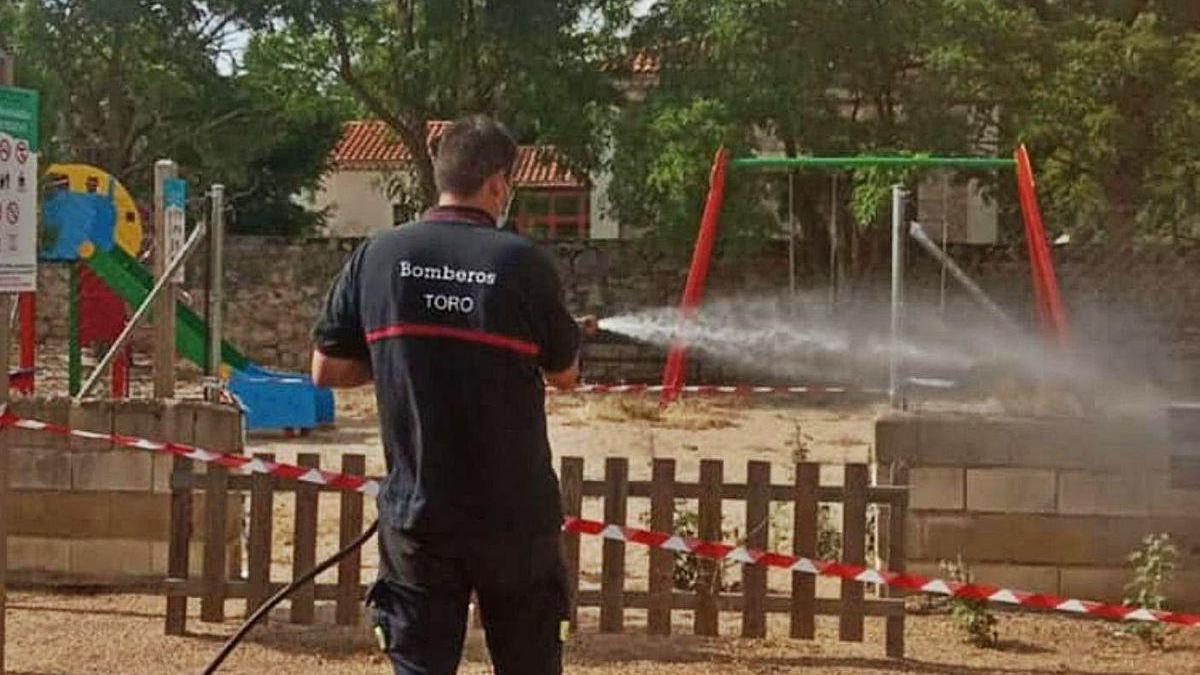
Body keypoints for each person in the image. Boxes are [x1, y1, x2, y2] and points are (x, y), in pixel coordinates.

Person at [310, 115, 593, 675]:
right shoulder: (522, 263)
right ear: (496, 184)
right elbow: (565, 375)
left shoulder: (379, 256)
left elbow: (326, 369)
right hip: (514, 516)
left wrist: (405, 355)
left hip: (421, 512)